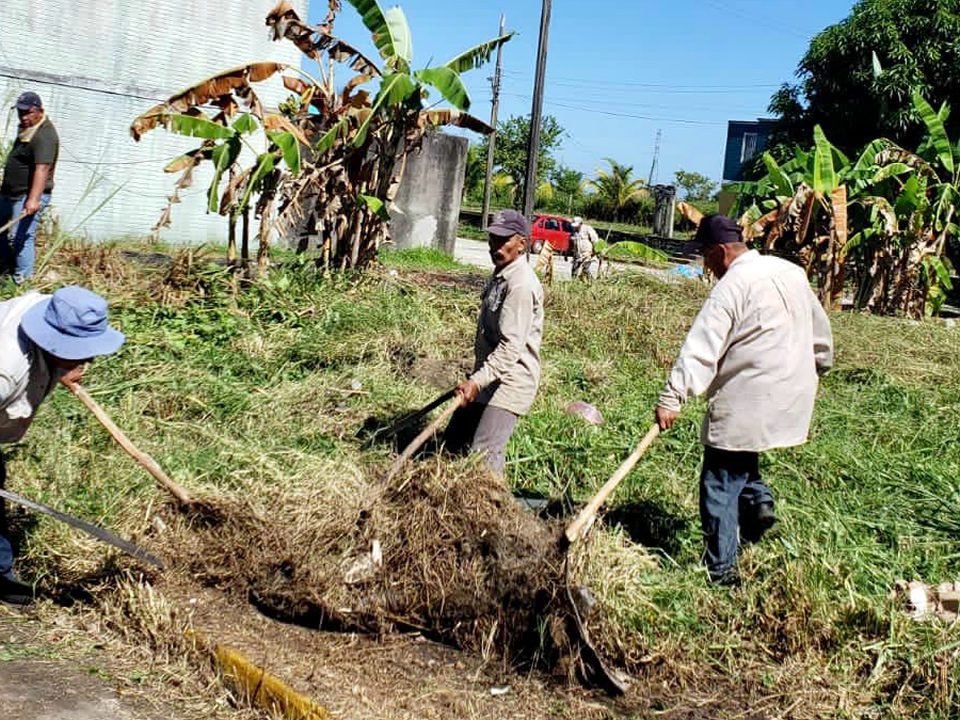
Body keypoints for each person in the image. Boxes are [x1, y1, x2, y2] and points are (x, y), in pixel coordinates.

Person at [654, 215, 833, 586]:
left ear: (720, 251)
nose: (705, 265)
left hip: (750, 393)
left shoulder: (732, 286)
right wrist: (820, 363)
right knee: (743, 450)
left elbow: (702, 347)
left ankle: (722, 573)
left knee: (718, 480)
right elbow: (821, 335)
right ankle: (757, 500)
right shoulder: (791, 272)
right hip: (792, 392)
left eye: (704, 255)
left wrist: (672, 397)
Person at [0, 286, 124, 604]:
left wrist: (61, 365)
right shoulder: (6, 368)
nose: (90, 358)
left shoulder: (57, 310)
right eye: (79, 349)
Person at [444, 209, 544, 475]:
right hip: (488, 376)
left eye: (503, 241)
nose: (495, 247)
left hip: (511, 381)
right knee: (452, 444)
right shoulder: (501, 274)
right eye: (492, 240)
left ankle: (496, 511)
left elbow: (511, 347)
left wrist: (477, 381)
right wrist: (477, 379)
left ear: (522, 243)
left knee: (485, 453)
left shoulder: (521, 284)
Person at [0, 91, 60, 283]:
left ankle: (22, 280)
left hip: (28, 195)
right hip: (11, 193)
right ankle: (5, 266)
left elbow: (42, 168)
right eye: (20, 113)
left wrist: (33, 199)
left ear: (39, 111)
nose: (23, 117)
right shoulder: (29, 128)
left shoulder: (45, 135)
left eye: (27, 113)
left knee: (21, 236)